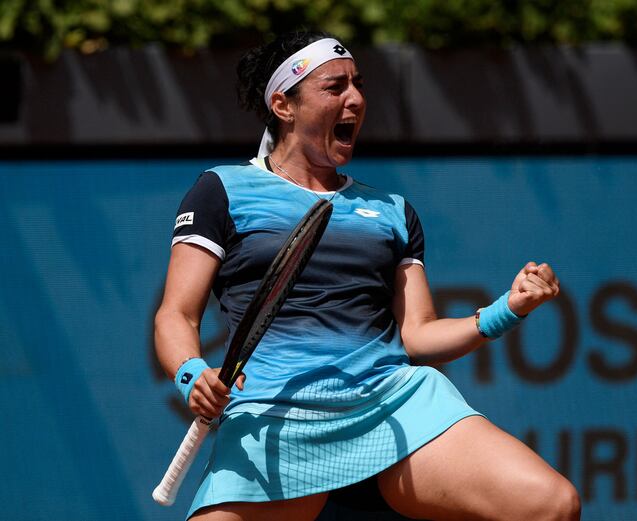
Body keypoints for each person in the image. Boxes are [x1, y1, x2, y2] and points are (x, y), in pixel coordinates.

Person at [154, 29, 581, 521]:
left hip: (391, 404)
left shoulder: (392, 210)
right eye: (334, 87)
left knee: (551, 504)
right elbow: (176, 314)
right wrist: (191, 374)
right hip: (272, 415)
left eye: (358, 84)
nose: (355, 98)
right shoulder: (221, 190)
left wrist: (509, 308)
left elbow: (418, 335)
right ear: (283, 105)